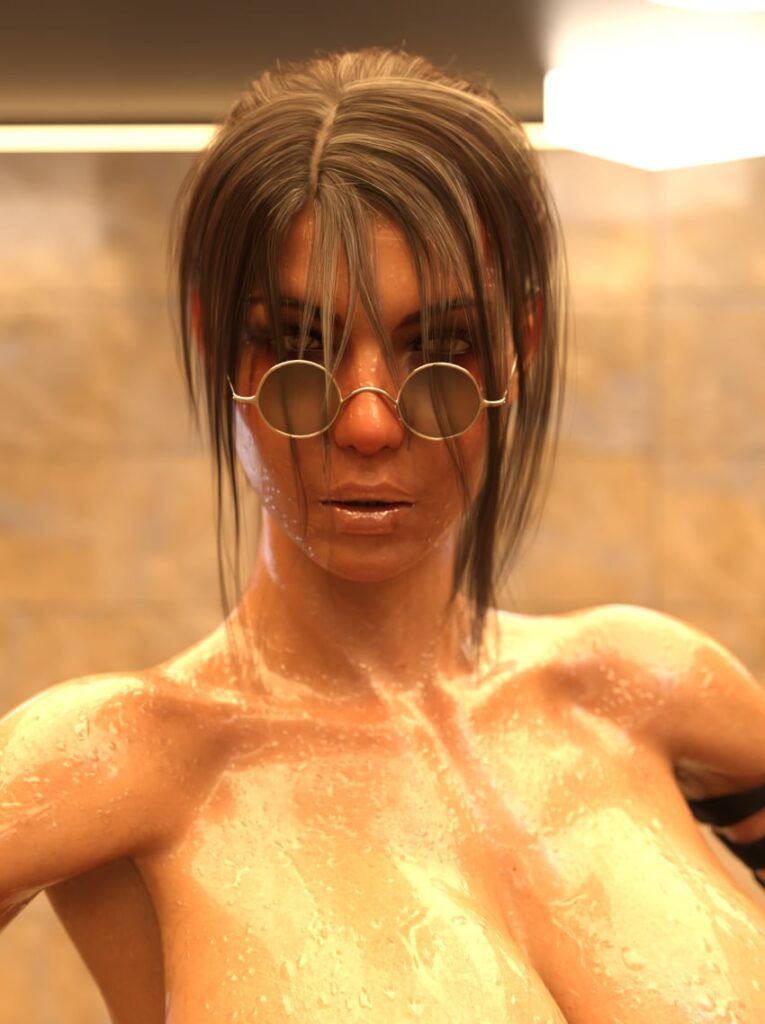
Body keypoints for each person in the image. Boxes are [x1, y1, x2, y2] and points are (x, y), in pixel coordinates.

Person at [2, 45, 765, 1024]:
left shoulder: (648, 691)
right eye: (301, 347)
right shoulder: (121, 760)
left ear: (520, 345)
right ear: (212, 338)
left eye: (439, 347)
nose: (368, 422)